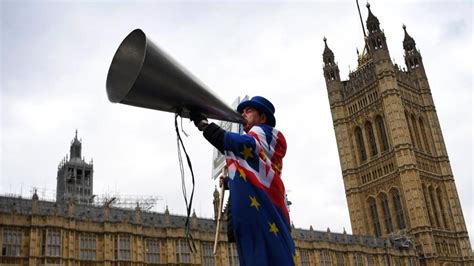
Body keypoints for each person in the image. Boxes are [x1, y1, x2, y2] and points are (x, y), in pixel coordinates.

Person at [190, 96, 296, 266]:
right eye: (241, 112)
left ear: (262, 117)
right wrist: (231, 181)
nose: (242, 115)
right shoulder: (256, 143)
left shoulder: (266, 133)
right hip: (252, 217)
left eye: (248, 111)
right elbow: (256, 172)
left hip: (264, 214)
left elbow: (243, 145)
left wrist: (205, 126)